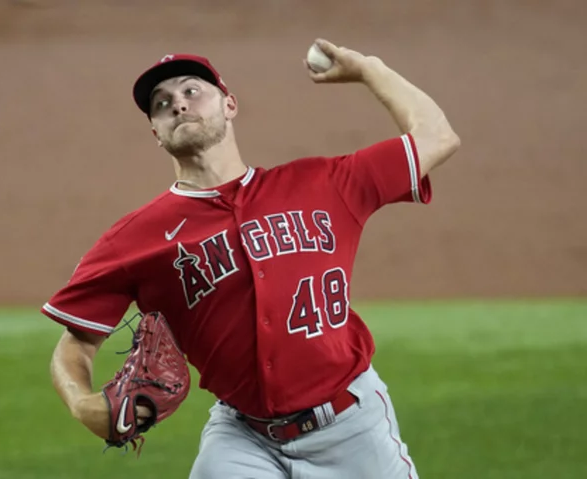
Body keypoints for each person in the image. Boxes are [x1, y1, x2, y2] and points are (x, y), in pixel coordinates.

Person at [41, 38, 460, 478]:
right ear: (156, 134)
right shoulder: (134, 238)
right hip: (243, 439)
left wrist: (370, 69)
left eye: (191, 91)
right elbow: (77, 342)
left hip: (353, 429)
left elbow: (437, 137)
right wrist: (82, 403)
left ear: (230, 105)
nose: (178, 105)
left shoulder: (324, 183)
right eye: (162, 104)